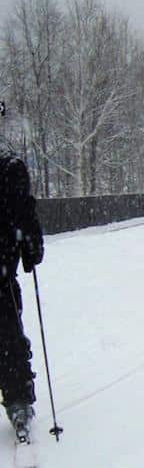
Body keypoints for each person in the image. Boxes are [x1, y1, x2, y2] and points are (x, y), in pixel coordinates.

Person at [0, 138, 44, 437]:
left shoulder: (9, 168)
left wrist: (30, 243)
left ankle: (17, 398)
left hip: (1, 275)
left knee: (7, 337)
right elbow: (25, 213)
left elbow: (25, 212)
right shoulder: (10, 167)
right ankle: (17, 396)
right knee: (7, 337)